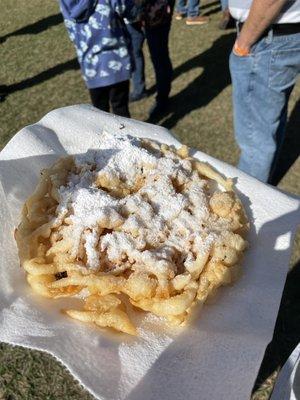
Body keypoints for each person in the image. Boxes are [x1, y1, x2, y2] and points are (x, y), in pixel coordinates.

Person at [229, 0, 300, 182]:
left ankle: (251, 204)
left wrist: (244, 42)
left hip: (266, 36)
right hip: (278, 33)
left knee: (256, 141)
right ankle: (265, 183)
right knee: (270, 123)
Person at [59, 0, 141, 117]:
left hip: (91, 67)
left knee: (100, 116)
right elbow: (131, 12)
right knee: (121, 111)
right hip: (117, 62)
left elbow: (71, 31)